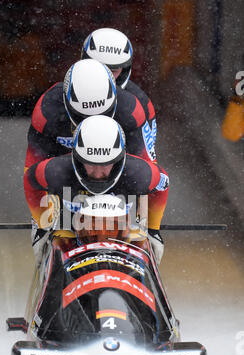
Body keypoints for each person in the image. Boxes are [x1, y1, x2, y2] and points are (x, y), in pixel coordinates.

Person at [24, 115, 169, 268]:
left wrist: (153, 230)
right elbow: (30, 181)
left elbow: (163, 185)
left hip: (123, 237)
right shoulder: (56, 171)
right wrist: (41, 226)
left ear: (119, 159)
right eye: (90, 164)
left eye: (106, 165)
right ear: (77, 158)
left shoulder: (140, 174)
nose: (98, 173)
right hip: (70, 233)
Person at [25, 58, 157, 185]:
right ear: (67, 103)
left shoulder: (131, 111)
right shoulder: (47, 112)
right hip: (67, 167)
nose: (92, 121)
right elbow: (32, 170)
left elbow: (147, 167)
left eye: (102, 113)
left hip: (112, 170)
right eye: (83, 115)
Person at [81, 28, 157, 157]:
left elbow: (144, 163)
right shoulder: (58, 95)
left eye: (113, 70)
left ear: (124, 70)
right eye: (99, 67)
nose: (105, 75)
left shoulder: (141, 104)